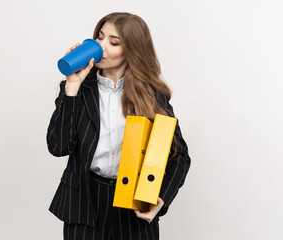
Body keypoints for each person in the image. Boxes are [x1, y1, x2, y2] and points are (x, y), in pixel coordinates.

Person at [46, 12, 191, 240]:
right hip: (85, 201)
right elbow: (58, 147)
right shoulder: (78, 90)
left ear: (132, 50)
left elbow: (179, 154)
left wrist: (161, 198)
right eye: (99, 38)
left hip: (134, 198)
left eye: (113, 42)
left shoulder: (152, 94)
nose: (102, 46)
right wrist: (72, 87)